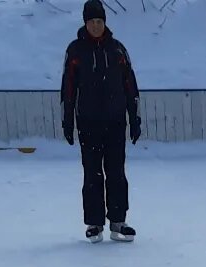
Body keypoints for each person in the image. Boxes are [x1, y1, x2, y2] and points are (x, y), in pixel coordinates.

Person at [61, 0, 142, 243]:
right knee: (92, 174)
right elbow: (68, 88)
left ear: (105, 22)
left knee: (116, 172)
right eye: (92, 21)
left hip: (116, 122)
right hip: (88, 122)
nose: (96, 26)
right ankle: (94, 224)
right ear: (85, 23)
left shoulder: (117, 50)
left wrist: (134, 117)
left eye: (99, 21)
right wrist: (68, 120)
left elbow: (130, 85)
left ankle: (118, 221)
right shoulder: (76, 51)